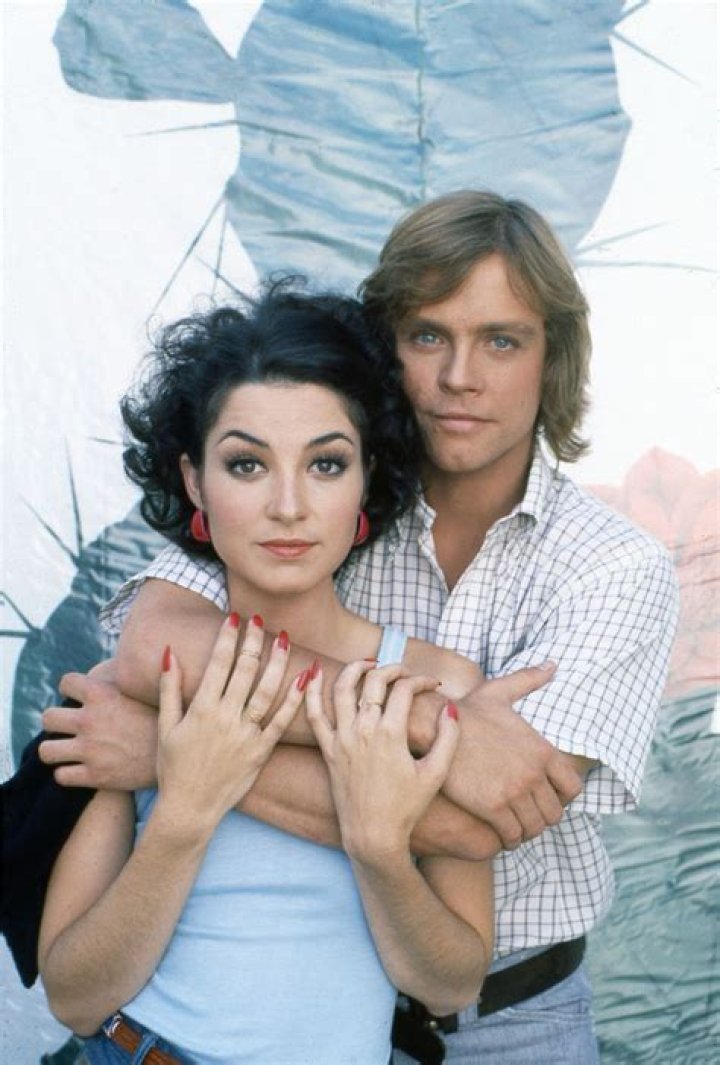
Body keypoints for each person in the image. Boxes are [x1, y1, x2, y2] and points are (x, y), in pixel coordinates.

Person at [40, 191, 679, 1064]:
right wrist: (430, 724)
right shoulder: (313, 495)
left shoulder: (614, 567)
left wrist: (167, 748)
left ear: (552, 356)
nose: (460, 376)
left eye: (502, 340)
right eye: (427, 335)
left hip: (510, 1014)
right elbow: (158, 647)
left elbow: (479, 821)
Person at [38, 285, 495, 1064]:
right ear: (194, 482)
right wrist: (183, 815)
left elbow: (452, 986)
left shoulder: (436, 684)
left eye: (326, 463)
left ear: (367, 477)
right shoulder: (150, 685)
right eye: (247, 463)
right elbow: (74, 996)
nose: (288, 505)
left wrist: (379, 848)